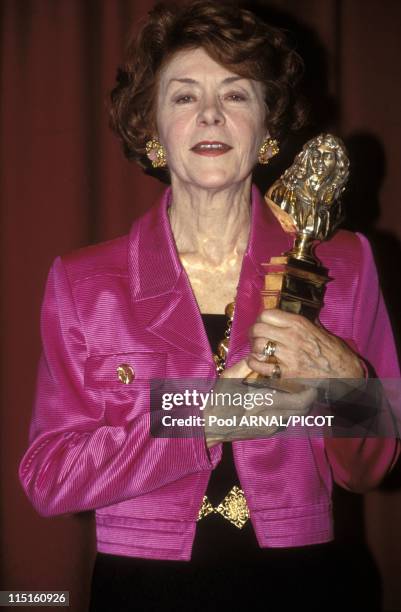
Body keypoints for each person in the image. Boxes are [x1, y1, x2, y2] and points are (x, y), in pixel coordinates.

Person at [19, 2, 400, 611]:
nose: (211, 114)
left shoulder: (344, 263)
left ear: (267, 125)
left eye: (237, 94)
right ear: (153, 131)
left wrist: (348, 381)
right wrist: (201, 417)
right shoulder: (85, 282)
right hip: (142, 591)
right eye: (184, 97)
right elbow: (49, 476)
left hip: (308, 587)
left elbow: (371, 466)